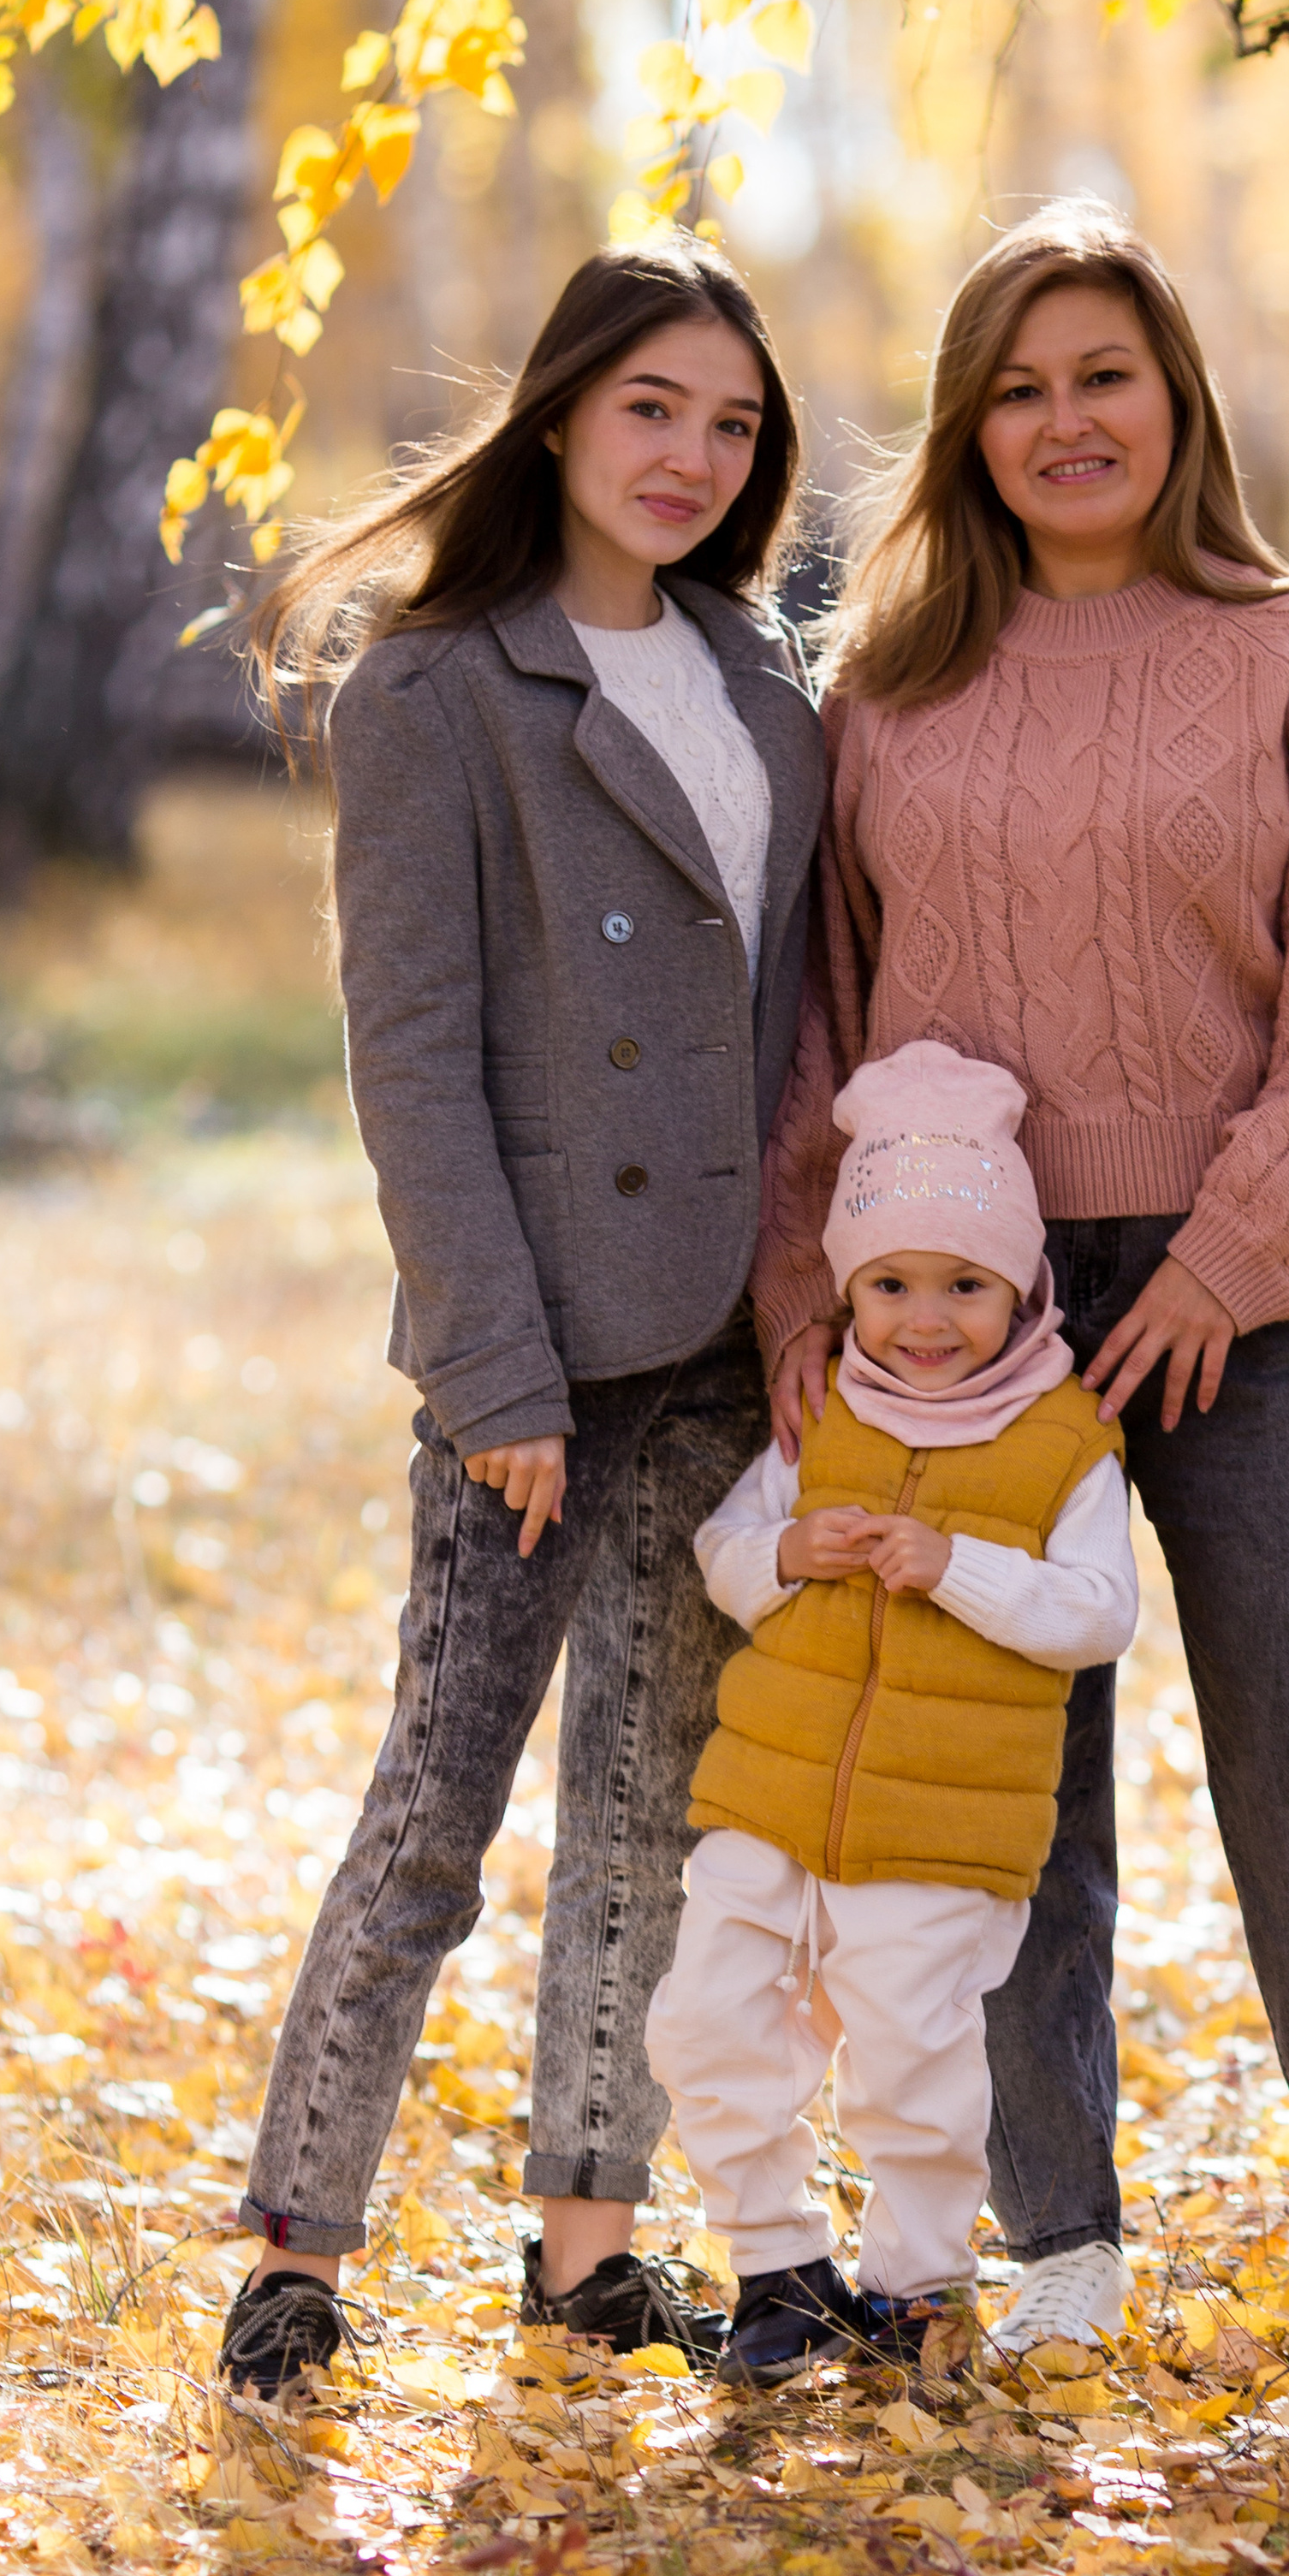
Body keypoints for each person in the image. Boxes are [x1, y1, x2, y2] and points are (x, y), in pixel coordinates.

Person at [752, 199, 1289, 2364]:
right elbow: (814, 1015)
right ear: (962, 426)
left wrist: (1228, 1257)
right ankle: (1056, 2238)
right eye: (1014, 386)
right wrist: (801, 1295)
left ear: (1175, 399)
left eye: (1100, 375)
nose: (1061, 420)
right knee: (1005, 1782)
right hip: (950, 1323)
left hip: (1238, 1310)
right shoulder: (885, 684)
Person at [216, 233, 827, 2401]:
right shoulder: (437, 689)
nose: (688, 453)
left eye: (731, 425)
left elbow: (788, 1033)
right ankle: (297, 2243)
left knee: (652, 1817)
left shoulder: (767, 689)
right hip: (533, 1363)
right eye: (651, 406)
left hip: (724, 1354)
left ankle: (588, 2251)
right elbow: (417, 1052)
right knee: (435, 1812)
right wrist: (488, 1365)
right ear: (561, 412)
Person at [647, 1041, 1138, 2388]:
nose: (927, 1320)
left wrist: (955, 1567)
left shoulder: (1064, 1439)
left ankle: (917, 2289)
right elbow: (728, 1547)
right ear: (850, 1289)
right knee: (703, 2026)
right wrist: (785, 1558)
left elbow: (1100, 1610)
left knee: (911, 2068)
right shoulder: (820, 1416)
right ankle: (778, 2268)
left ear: (1021, 1284)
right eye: (890, 1286)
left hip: (941, 1821)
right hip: (772, 1796)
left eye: (966, 1286)